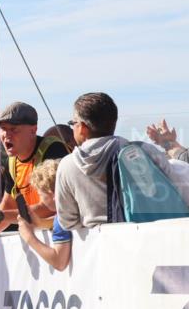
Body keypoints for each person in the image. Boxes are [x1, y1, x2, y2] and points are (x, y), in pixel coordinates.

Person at [56, 93, 178, 229]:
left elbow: (68, 222)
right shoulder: (144, 151)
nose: (73, 127)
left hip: (99, 244)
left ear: (83, 128)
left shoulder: (67, 165)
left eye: (73, 123)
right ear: (114, 121)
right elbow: (175, 189)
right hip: (152, 237)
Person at [0, 101, 67, 249]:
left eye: (14, 129)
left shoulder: (53, 150)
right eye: (3, 129)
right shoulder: (12, 162)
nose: (7, 135)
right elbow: (8, 204)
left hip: (62, 238)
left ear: (33, 130)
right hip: (40, 238)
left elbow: (50, 207)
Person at [17, 159, 72, 271]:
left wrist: (29, 236)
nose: (40, 201)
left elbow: (60, 262)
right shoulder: (73, 207)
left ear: (51, 193)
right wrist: (41, 223)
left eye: (40, 195)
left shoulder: (61, 218)